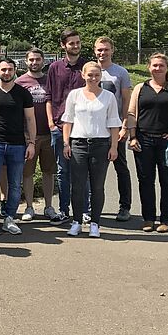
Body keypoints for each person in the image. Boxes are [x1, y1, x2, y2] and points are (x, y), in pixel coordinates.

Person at [126, 53, 168, 233]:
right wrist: (132, 137)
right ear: (149, 67)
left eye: (161, 65)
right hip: (143, 140)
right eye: (154, 65)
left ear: (167, 68)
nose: (157, 68)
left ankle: (166, 220)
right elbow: (131, 114)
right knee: (145, 180)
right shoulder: (140, 88)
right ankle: (148, 219)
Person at [0, 58, 36, 239]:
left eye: (10, 69)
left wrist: (31, 143)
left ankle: (9, 218)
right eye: (3, 70)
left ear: (15, 71)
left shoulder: (23, 93)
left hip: (17, 145)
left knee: (15, 185)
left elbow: (30, 120)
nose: (6, 73)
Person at [61, 62, 122, 238]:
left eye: (96, 75)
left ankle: (95, 223)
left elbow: (114, 123)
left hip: (101, 145)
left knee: (97, 186)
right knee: (78, 186)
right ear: (83, 75)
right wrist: (67, 143)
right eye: (90, 75)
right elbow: (68, 120)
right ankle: (77, 222)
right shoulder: (75, 95)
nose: (93, 78)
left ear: (101, 76)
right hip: (78, 143)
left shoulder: (108, 96)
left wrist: (114, 147)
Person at [45, 29, 86, 223]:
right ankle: (64, 210)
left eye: (77, 42)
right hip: (60, 127)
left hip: (82, 127)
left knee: (83, 170)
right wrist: (51, 123)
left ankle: (84, 210)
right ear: (63, 45)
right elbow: (49, 97)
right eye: (71, 43)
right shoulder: (54, 68)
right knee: (63, 170)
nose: (75, 46)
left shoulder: (87, 66)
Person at [94, 37, 134, 222]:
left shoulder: (120, 73)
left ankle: (124, 206)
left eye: (106, 49)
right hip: (94, 130)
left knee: (121, 168)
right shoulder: (89, 70)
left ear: (112, 50)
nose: (102, 53)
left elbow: (126, 101)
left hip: (115, 129)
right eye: (99, 50)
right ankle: (92, 207)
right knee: (93, 170)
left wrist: (125, 125)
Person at [15, 48, 57, 221]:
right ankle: (30, 207)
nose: (34, 62)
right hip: (28, 136)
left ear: (43, 61)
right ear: (26, 61)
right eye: (31, 59)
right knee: (27, 173)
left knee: (49, 172)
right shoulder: (19, 82)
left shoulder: (51, 80)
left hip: (49, 133)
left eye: (38, 59)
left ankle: (49, 206)